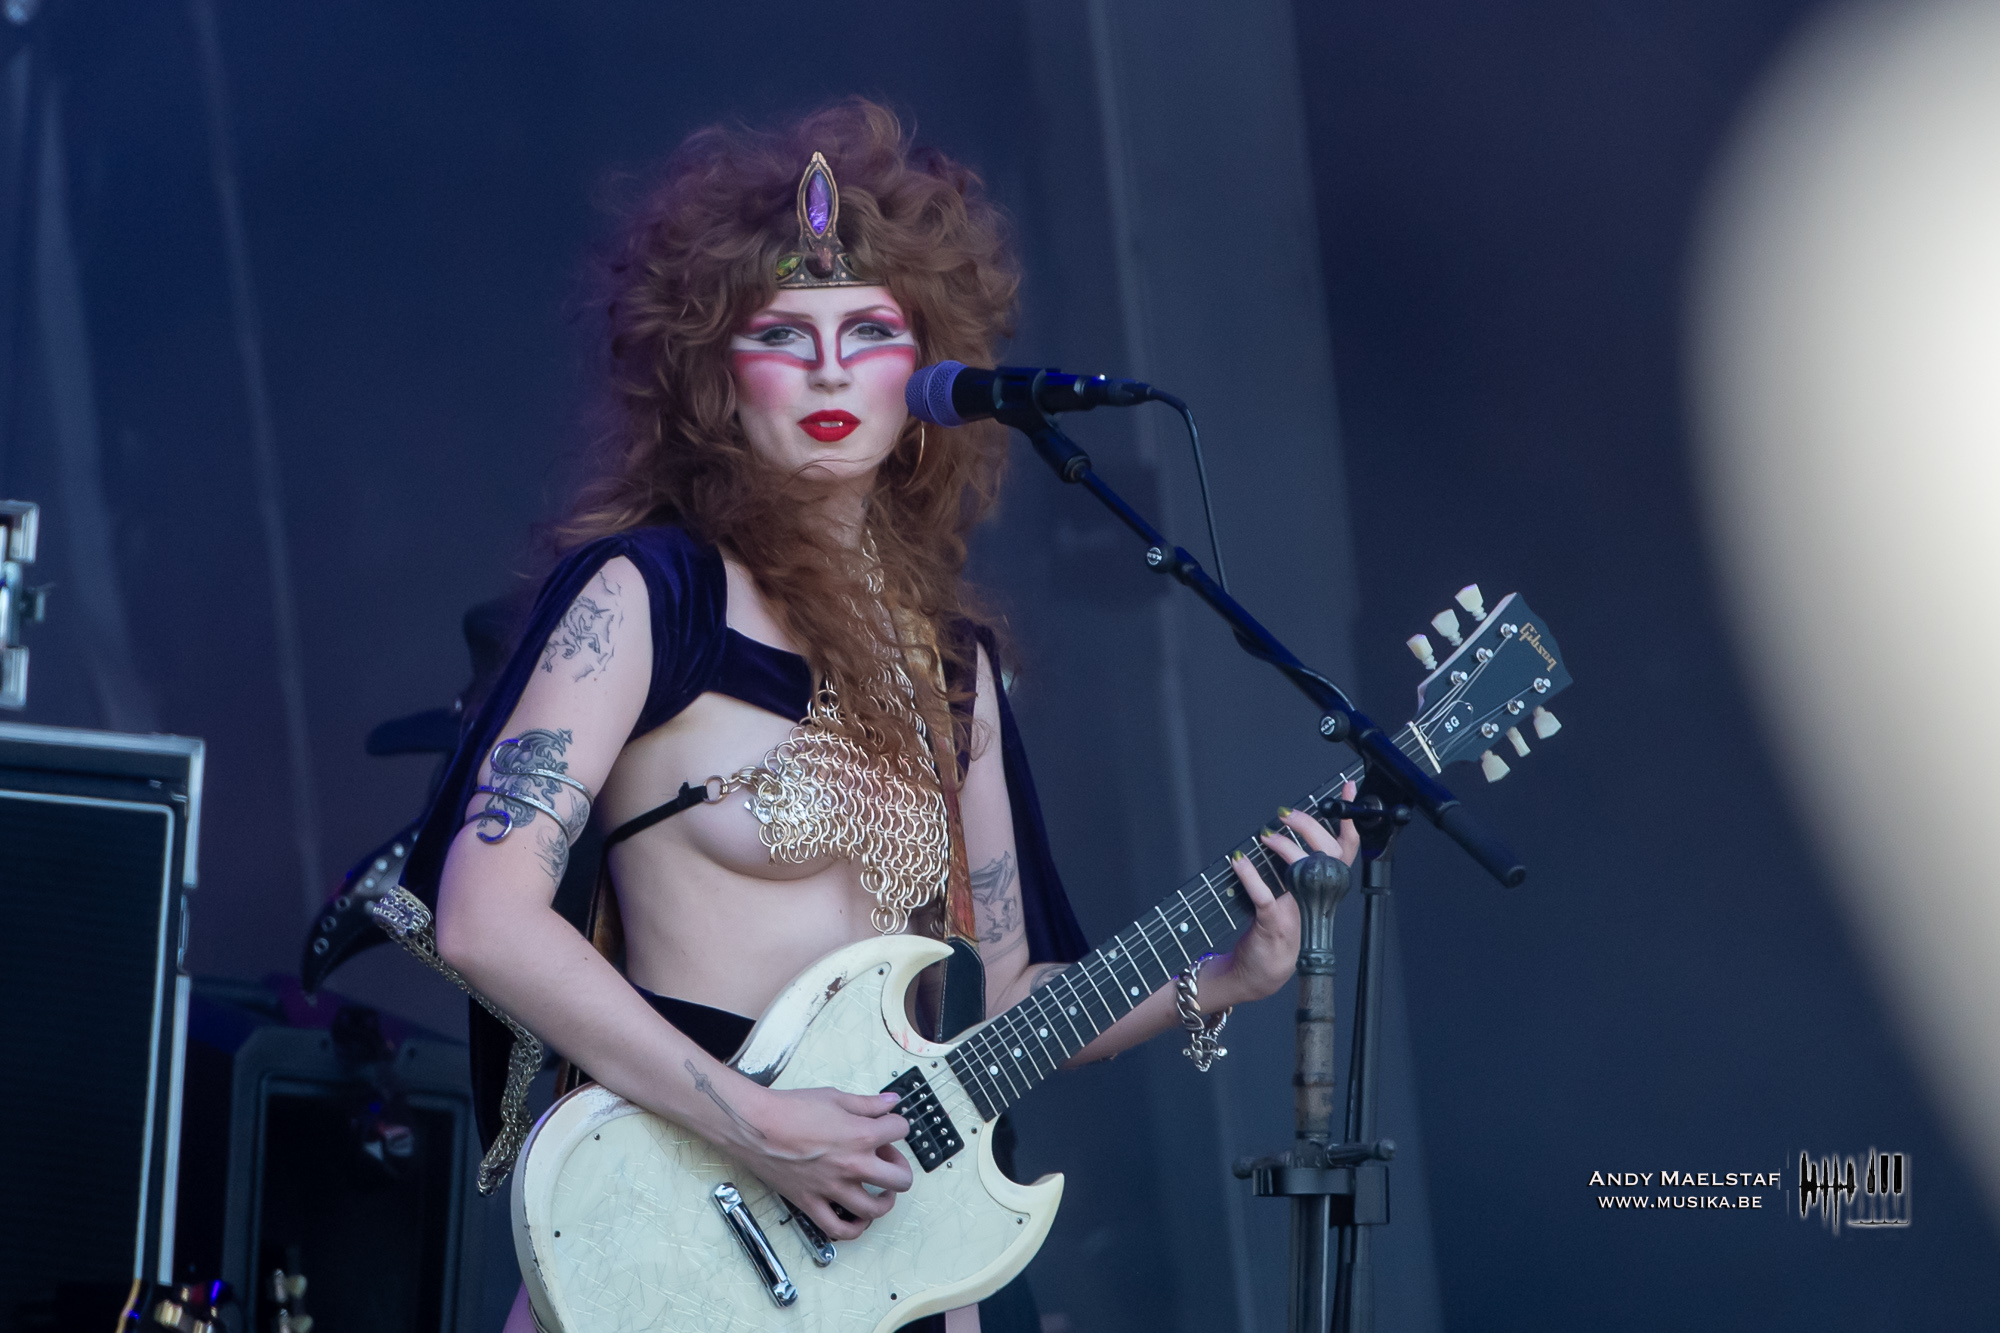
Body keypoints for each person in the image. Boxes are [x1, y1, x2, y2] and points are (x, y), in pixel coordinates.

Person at [401, 98, 1358, 1333]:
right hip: (679, 1227)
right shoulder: (646, 597)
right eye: (780, 335)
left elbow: (1005, 990)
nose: (828, 369)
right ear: (711, 374)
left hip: (889, 1255)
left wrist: (1221, 978)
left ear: (925, 372)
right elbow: (483, 916)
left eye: (868, 332)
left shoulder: (949, 669)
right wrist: (760, 1122)